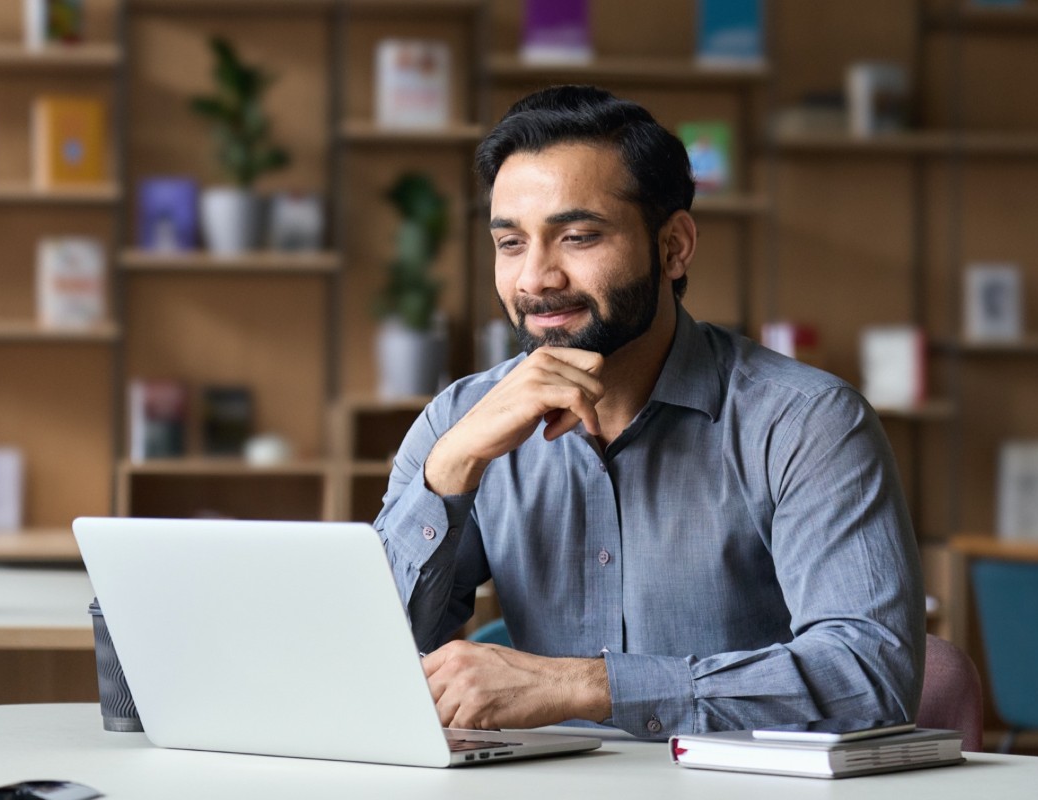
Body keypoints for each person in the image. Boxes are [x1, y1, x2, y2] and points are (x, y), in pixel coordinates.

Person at [373, 85, 925, 739]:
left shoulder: (807, 424)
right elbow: (362, 660)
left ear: (674, 247)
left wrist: (590, 686)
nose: (535, 280)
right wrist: (451, 471)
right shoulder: (458, 422)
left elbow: (869, 679)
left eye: (577, 236)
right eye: (511, 243)